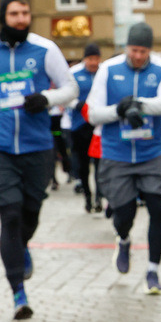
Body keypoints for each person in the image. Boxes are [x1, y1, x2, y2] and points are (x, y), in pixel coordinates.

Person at [0, 0, 78, 321]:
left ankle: (22, 245)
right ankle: (18, 292)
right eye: (14, 13)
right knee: (9, 214)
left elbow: (71, 89)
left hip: (37, 147)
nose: (20, 19)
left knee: (30, 213)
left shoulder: (44, 49)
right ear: (4, 16)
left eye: (25, 13)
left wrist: (45, 97)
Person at [87, 22, 161, 295]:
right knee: (123, 214)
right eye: (135, 50)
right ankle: (124, 239)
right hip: (117, 154)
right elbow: (92, 113)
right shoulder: (108, 69)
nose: (139, 56)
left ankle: (153, 270)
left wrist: (138, 105)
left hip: (152, 153)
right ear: (127, 47)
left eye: (144, 51)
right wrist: (120, 110)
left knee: (157, 208)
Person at [69, 43, 102, 213]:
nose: (93, 62)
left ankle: (98, 197)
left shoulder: (103, 72)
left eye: (96, 59)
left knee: (99, 164)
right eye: (90, 59)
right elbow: (65, 95)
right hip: (79, 125)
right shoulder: (74, 73)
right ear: (85, 58)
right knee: (83, 165)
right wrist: (77, 104)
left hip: (98, 126)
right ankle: (87, 196)